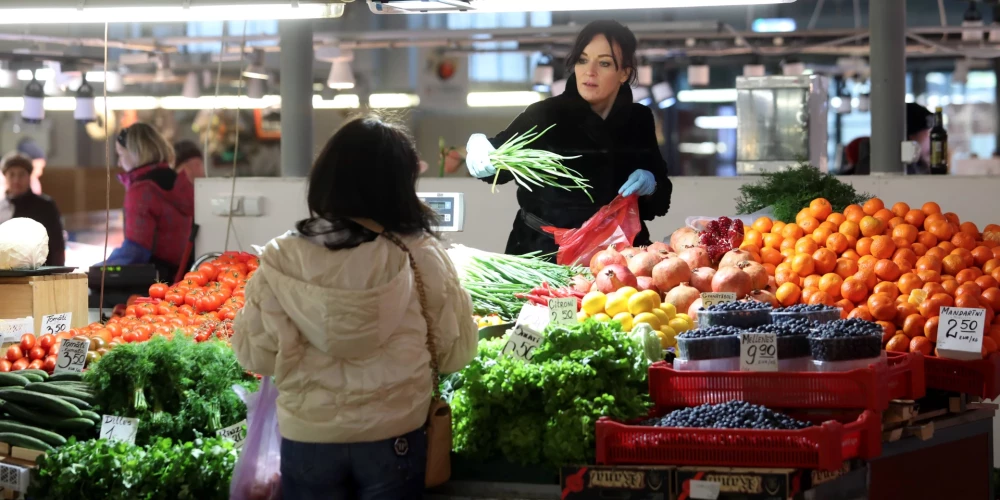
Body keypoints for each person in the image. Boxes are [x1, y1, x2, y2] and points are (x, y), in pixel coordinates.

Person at [231, 116, 477, 499]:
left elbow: (255, 355)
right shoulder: (422, 254)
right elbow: (456, 353)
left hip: (307, 437)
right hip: (396, 435)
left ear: (327, 175)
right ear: (400, 184)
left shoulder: (283, 256)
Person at [463, 20, 672, 257]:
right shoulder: (546, 113)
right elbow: (499, 167)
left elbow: (660, 201)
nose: (589, 71)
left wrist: (651, 185)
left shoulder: (639, 119)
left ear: (624, 72)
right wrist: (482, 152)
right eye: (583, 60)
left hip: (616, 255)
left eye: (604, 63)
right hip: (543, 254)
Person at [101, 123, 194, 280]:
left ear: (135, 153)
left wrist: (100, 269)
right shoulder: (180, 183)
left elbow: (136, 250)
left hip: (151, 284)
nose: (119, 163)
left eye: (121, 155)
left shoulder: (142, 191)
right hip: (181, 280)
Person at [1, 154, 64, 266]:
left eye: (21, 174)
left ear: (29, 176)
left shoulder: (45, 206)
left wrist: (56, 274)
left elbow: (57, 245)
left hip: (42, 274)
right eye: (11, 174)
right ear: (5, 176)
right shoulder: (1, 207)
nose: (16, 180)